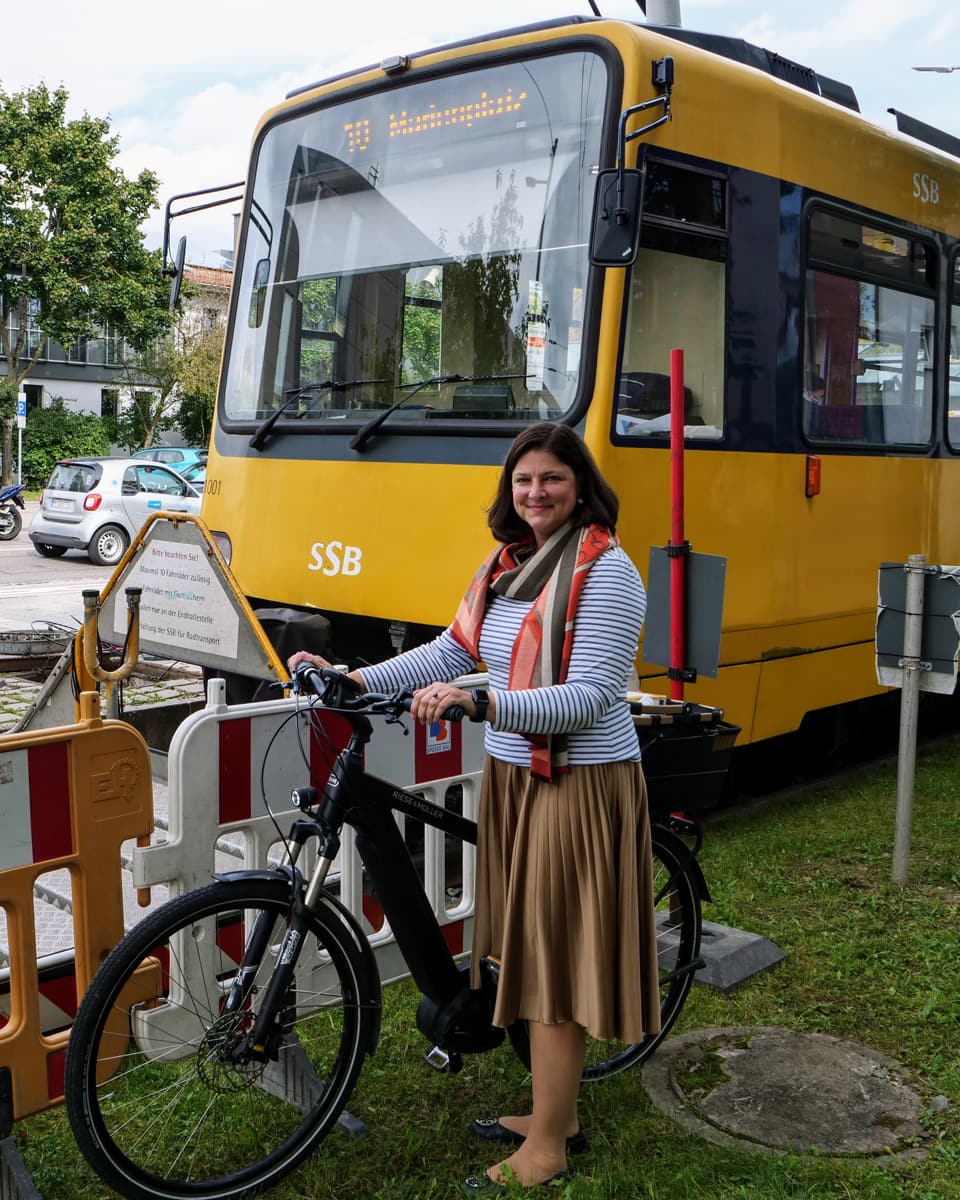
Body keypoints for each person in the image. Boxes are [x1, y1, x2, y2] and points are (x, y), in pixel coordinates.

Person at [288, 421, 660, 1195]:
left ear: (581, 485)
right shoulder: (508, 564)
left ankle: (551, 1145)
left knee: (551, 963)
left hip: (579, 786)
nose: (536, 494)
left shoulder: (608, 570)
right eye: (524, 481)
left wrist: (480, 703)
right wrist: (357, 678)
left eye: (552, 479)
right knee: (524, 950)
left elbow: (591, 696)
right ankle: (553, 1112)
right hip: (520, 779)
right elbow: (452, 650)